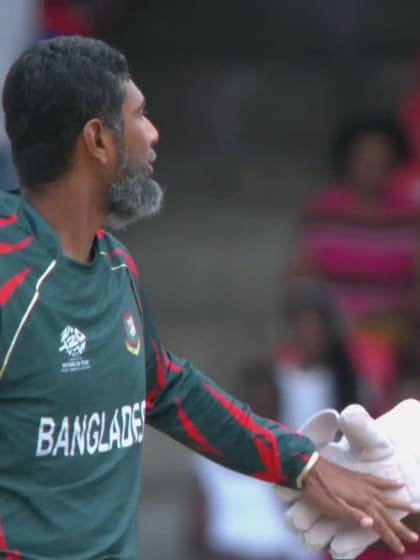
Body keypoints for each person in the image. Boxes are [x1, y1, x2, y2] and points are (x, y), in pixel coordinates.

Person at [0, 36, 417, 559]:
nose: (154, 134)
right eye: (140, 115)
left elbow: (167, 389)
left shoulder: (113, 265)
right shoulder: (10, 279)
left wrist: (305, 465)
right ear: (97, 141)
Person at [287, 117, 420, 416]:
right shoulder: (324, 210)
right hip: (333, 327)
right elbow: (298, 277)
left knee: (379, 354)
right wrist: (338, 317)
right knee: (312, 327)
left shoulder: (410, 215)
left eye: (380, 159)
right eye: (364, 158)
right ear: (348, 161)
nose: (371, 166)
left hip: (394, 329)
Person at [189, 362, 320, 560]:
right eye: (255, 407)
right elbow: (196, 537)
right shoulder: (210, 457)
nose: (262, 417)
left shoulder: (301, 453)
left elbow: (310, 527)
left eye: (269, 407)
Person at [274, 279, 358, 430]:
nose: (310, 340)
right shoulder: (280, 378)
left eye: (315, 332)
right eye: (303, 331)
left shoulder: (344, 381)